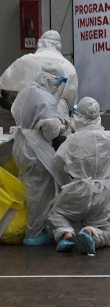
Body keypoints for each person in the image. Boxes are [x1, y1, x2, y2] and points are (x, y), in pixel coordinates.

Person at [47, 97, 110, 255]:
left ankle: (67, 233)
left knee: (56, 213)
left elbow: (58, 160)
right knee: (105, 228)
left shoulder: (72, 139)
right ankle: (90, 232)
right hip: (104, 192)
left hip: (79, 190)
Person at [13, 62, 68, 245]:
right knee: (40, 191)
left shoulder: (24, 92)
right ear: (50, 80)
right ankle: (34, 234)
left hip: (20, 144)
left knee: (27, 187)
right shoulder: (46, 98)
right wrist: (63, 125)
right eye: (57, 84)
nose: (57, 88)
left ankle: (23, 226)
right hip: (36, 148)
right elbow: (50, 131)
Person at [0, 29, 78, 120]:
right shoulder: (69, 66)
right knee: (54, 131)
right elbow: (72, 99)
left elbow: (6, 81)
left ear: (40, 43)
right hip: (58, 113)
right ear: (59, 46)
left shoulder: (27, 59)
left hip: (29, 110)